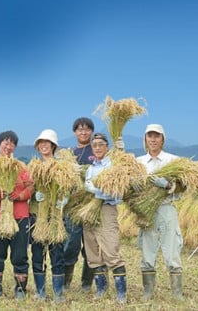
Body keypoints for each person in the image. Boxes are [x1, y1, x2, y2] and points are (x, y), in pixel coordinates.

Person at [136, 124, 183, 300]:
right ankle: (148, 292)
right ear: (145, 139)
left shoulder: (173, 161)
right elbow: (130, 188)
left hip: (166, 208)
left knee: (172, 249)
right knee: (147, 249)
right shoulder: (139, 162)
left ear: (162, 139)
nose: (153, 139)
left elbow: (183, 186)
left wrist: (168, 185)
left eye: (157, 136)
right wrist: (135, 186)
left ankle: (177, 293)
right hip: (146, 211)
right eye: (150, 136)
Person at [0, 131, 34, 299]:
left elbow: (30, 187)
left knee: (20, 254)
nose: (8, 146)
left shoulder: (20, 166)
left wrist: (20, 196)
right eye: (5, 142)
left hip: (20, 216)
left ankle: (21, 288)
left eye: (12, 143)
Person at [83, 133, 127, 303]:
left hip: (108, 209)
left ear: (107, 146)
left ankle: (121, 294)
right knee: (92, 249)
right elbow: (87, 187)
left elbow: (116, 193)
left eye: (101, 144)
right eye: (95, 145)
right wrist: (91, 189)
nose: (98, 147)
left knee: (111, 248)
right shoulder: (90, 168)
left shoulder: (113, 166)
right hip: (90, 210)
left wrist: (96, 190)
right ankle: (101, 290)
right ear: (92, 148)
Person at [30, 129, 66, 302]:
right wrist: (33, 194)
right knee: (38, 254)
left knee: (57, 255)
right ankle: (40, 292)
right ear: (38, 146)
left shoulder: (62, 166)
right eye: (41, 142)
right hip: (38, 216)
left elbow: (71, 187)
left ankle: (58, 293)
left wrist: (64, 198)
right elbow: (27, 187)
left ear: (53, 145)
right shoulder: (34, 167)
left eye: (47, 142)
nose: (44, 145)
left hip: (56, 217)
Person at [63, 117, 95, 292]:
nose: (83, 132)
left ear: (91, 131)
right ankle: (66, 283)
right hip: (73, 206)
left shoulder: (96, 150)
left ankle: (86, 284)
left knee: (90, 246)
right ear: (74, 132)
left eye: (87, 129)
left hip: (92, 204)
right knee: (71, 243)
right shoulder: (70, 153)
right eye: (80, 129)